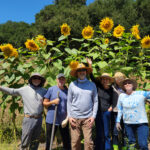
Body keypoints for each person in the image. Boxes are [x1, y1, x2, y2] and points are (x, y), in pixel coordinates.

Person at [0, 73, 47, 150]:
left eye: (38, 78)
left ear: (41, 80)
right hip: (28, 119)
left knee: (35, 140)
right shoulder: (25, 89)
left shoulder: (44, 90)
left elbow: (51, 97)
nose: (36, 80)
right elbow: (12, 91)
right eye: (34, 78)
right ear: (31, 80)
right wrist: (0, 87)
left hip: (39, 119)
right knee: (25, 140)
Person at [67, 62, 98, 150]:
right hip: (74, 118)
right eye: (79, 70)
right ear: (76, 73)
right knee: (75, 142)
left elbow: (95, 101)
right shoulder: (72, 85)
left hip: (88, 118)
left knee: (88, 142)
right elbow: (69, 102)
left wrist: (93, 116)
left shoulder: (92, 85)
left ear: (86, 72)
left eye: (83, 70)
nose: (82, 72)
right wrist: (69, 116)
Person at [87, 58, 114, 150]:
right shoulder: (98, 86)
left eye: (107, 79)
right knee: (99, 132)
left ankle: (107, 148)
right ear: (101, 80)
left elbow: (115, 100)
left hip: (106, 113)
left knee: (106, 133)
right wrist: (90, 65)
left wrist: (111, 108)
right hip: (97, 113)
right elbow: (91, 76)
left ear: (109, 81)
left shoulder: (111, 89)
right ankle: (99, 148)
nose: (105, 81)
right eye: (103, 79)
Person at [116, 78, 150, 150]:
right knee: (131, 144)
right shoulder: (122, 96)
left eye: (129, 82)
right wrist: (118, 121)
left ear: (133, 85)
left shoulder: (141, 93)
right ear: (123, 86)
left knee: (143, 144)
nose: (127, 84)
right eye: (125, 83)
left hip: (142, 123)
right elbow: (120, 109)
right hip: (128, 124)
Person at [43, 73, 71, 150]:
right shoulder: (51, 89)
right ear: (56, 80)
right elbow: (45, 104)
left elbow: (69, 106)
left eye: (63, 79)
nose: (61, 80)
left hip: (63, 120)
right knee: (49, 140)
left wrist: (67, 118)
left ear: (65, 80)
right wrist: (53, 102)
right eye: (60, 79)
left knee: (66, 140)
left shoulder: (67, 91)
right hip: (52, 120)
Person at [112, 72, 127, 150]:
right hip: (115, 111)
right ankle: (115, 147)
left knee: (125, 131)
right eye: (117, 78)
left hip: (125, 112)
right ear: (115, 79)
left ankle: (124, 147)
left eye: (121, 78)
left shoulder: (126, 87)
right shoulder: (112, 87)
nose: (119, 79)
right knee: (115, 131)